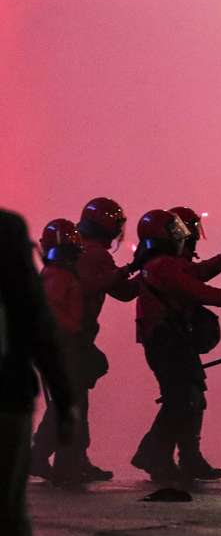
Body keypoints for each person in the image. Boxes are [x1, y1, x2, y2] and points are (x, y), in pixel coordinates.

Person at [31, 198, 136, 482]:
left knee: (74, 401)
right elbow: (116, 290)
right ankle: (54, 459)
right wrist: (135, 271)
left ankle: (68, 458)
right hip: (71, 340)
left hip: (68, 340)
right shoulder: (94, 256)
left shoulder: (67, 260)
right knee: (72, 402)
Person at [130, 210, 221, 481]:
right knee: (181, 400)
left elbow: (195, 274)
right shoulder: (163, 265)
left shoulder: (162, 263)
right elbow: (195, 288)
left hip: (172, 339)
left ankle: (180, 457)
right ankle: (155, 454)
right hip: (168, 340)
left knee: (189, 398)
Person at [0, 209, 74, 536]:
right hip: (6, 396)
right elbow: (38, 326)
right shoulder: (7, 232)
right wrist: (65, 397)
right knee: (8, 512)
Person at [29, 220, 100, 485]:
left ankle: (57, 460)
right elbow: (54, 316)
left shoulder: (55, 275)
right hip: (63, 349)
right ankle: (61, 463)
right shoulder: (59, 277)